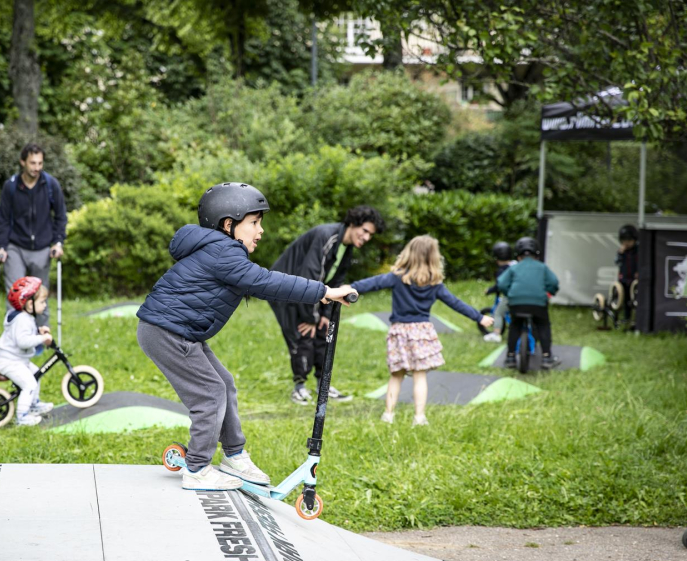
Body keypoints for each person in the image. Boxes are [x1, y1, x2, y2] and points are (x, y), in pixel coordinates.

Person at [136, 182, 357, 491]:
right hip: (168, 332)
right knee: (210, 393)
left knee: (223, 383)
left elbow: (260, 281)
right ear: (228, 225)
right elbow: (266, 282)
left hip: (177, 330)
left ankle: (235, 455)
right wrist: (324, 292)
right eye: (253, 222)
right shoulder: (224, 252)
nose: (260, 230)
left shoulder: (220, 249)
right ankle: (198, 469)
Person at [351, 235, 493, 426]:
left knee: (396, 375)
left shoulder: (397, 277)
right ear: (434, 258)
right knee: (420, 376)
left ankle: (388, 415)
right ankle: (419, 417)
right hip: (421, 333)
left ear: (409, 253)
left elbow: (371, 283)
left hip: (400, 332)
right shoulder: (435, 284)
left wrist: (349, 288)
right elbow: (456, 303)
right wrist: (479, 317)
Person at [269, 206, 385, 406]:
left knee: (323, 330)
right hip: (283, 289)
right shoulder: (326, 236)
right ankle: (299, 388)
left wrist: (323, 314)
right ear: (353, 223)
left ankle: (323, 385)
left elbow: (335, 282)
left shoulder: (346, 248)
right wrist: (310, 318)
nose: (366, 238)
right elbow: (310, 275)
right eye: (365, 231)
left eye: (370, 235)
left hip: (309, 291)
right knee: (303, 334)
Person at [0, 143, 67, 328]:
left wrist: (58, 243)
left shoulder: (50, 185)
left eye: (40, 163)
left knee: (41, 296)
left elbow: (60, 216)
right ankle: (12, 338)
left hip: (43, 247)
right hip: (16, 246)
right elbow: (3, 219)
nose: (37, 168)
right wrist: (1, 246)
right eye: (33, 163)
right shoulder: (10, 186)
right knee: (15, 295)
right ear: (23, 162)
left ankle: (42, 339)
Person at [0, 276, 56, 426]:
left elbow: (27, 332)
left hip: (19, 361)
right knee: (29, 384)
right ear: (29, 304)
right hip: (10, 362)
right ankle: (22, 417)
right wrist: (42, 338)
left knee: (36, 374)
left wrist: (39, 331)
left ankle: (34, 404)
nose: (45, 305)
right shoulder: (22, 319)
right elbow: (22, 342)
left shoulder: (25, 317)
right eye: (42, 302)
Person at [497, 237, 560, 370]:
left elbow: (501, 283)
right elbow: (554, 283)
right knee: (543, 325)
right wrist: (549, 292)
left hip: (516, 302)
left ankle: (510, 357)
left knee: (515, 326)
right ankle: (547, 357)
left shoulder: (515, 268)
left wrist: (509, 294)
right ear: (537, 253)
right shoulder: (542, 267)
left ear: (518, 255)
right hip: (538, 303)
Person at [483, 241, 516, 343]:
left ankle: (496, 334)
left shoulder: (502, 270)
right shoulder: (515, 265)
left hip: (511, 296)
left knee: (497, 313)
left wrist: (489, 290)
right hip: (522, 295)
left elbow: (499, 286)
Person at [616, 224, 639, 320]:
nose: (627, 243)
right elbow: (617, 262)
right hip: (624, 279)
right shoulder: (621, 252)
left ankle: (637, 318)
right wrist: (620, 254)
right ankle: (627, 317)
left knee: (635, 299)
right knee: (626, 300)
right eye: (624, 240)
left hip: (635, 279)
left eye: (629, 240)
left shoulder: (638, 251)